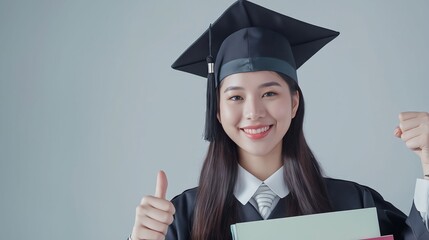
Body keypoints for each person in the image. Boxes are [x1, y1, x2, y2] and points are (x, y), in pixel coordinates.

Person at [130, 1, 429, 239]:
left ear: (294, 101)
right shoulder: (180, 219)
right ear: (217, 111)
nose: (253, 112)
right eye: (236, 97)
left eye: (270, 93)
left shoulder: (352, 203)